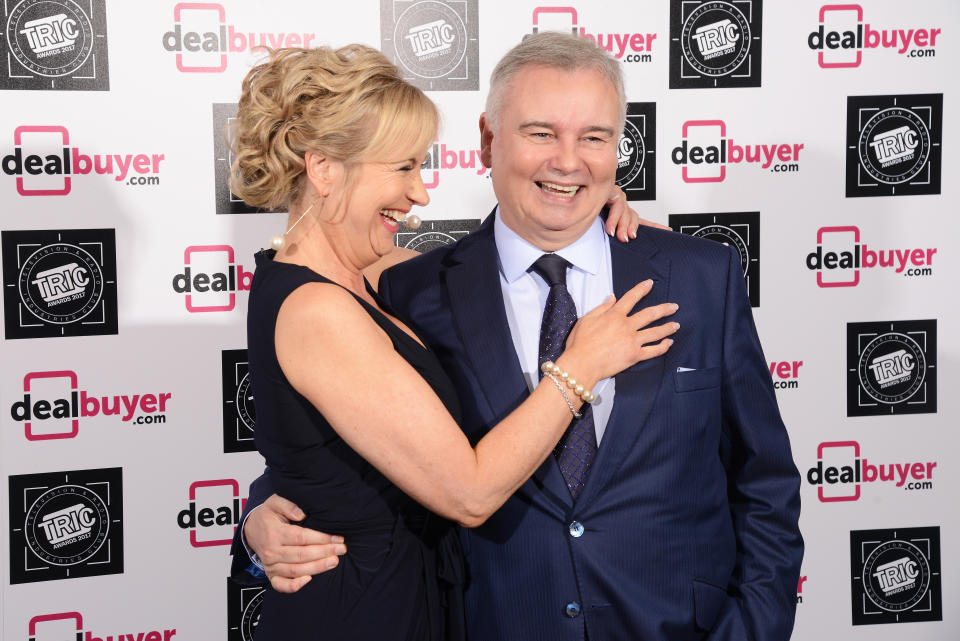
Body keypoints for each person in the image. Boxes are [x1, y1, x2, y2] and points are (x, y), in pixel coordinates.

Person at [236, 33, 803, 640]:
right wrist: (258, 519)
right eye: (541, 134)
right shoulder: (412, 294)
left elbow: (763, 480)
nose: (568, 160)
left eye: (594, 138)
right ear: (487, 140)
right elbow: (337, 446)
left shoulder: (697, 275)